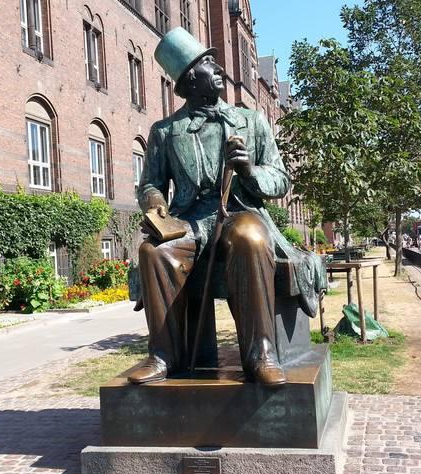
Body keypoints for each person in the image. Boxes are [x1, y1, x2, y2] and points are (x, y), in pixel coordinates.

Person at [128, 27, 322, 387]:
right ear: (190, 78)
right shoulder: (165, 131)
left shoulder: (251, 122)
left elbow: (281, 179)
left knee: (250, 237)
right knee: (153, 251)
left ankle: (260, 354)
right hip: (189, 221)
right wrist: (156, 206)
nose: (219, 69)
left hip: (240, 213)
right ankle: (164, 355)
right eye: (208, 63)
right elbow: (151, 184)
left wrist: (248, 170)